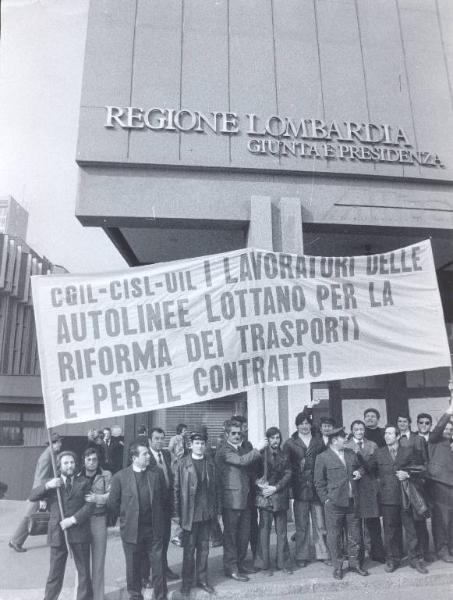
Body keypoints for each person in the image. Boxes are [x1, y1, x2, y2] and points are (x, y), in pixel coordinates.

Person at [29, 450, 94, 600]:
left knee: (84, 573)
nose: (70, 466)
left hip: (79, 533)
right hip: (58, 535)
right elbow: (32, 496)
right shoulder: (53, 483)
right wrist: (47, 486)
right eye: (66, 463)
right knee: (55, 574)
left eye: (72, 462)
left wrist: (72, 520)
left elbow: (90, 506)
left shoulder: (84, 482)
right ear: (59, 465)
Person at [108, 442, 168, 600]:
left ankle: (161, 596)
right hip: (131, 530)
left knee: (158, 565)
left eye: (148, 453)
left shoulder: (157, 473)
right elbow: (113, 504)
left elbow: (165, 499)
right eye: (145, 454)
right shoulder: (120, 477)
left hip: (154, 528)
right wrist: (123, 521)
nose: (149, 456)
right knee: (133, 566)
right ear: (134, 458)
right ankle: (135, 596)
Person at [368, 425, 428, 574]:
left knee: (411, 529)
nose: (387, 436)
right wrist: (357, 463)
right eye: (385, 434)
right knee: (390, 531)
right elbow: (368, 468)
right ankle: (392, 560)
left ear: (397, 436)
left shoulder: (408, 451)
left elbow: (422, 468)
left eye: (390, 433)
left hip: (405, 497)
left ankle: (414, 559)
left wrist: (407, 474)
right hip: (388, 499)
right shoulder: (378, 453)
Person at [314, 427, 368, 580]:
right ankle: (337, 567)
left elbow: (362, 467)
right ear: (333, 441)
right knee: (334, 536)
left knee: (355, 534)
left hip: (352, 502)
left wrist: (360, 472)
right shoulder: (322, 457)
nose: (345, 439)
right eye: (342, 437)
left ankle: (354, 563)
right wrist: (326, 499)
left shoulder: (351, 454)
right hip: (334, 505)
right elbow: (318, 482)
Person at [215, 419, 265, 581]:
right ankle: (231, 568)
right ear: (227, 434)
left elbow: (247, 469)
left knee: (244, 535)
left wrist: (257, 481)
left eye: (239, 433)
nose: (237, 436)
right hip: (231, 500)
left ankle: (240, 564)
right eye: (233, 433)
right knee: (231, 536)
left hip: (245, 499)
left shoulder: (241, 448)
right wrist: (257, 448)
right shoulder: (224, 450)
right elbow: (242, 461)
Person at [174, 431, 217, 598]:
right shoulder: (182, 464)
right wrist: (177, 515)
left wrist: (216, 511)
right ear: (190, 445)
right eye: (196, 443)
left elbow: (216, 489)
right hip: (189, 513)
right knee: (189, 550)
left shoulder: (210, 464)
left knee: (204, 549)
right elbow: (176, 490)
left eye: (202, 443)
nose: (199, 446)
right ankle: (186, 582)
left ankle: (202, 579)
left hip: (206, 513)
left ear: (205, 446)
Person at [283, 411, 329, 567]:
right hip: (300, 488)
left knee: (320, 523)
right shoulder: (290, 443)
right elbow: (286, 467)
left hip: (316, 487)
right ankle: (301, 555)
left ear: (310, 424)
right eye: (301, 423)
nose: (304, 426)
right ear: (297, 426)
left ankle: (323, 554)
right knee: (302, 524)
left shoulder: (318, 441)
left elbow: (324, 463)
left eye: (306, 423)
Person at [9, 432, 63, 552]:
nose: (61, 444)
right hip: (40, 492)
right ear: (53, 443)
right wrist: (41, 498)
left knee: (36, 516)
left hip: (44, 491)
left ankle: (56, 539)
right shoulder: (47, 456)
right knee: (29, 517)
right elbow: (41, 479)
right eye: (59, 442)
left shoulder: (51, 454)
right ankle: (15, 541)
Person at [344, 420, 385, 563]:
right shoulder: (346, 445)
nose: (359, 432)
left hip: (370, 486)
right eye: (356, 429)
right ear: (352, 430)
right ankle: (358, 555)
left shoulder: (372, 445)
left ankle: (377, 552)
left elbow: (375, 465)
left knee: (373, 522)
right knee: (356, 524)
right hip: (354, 487)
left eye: (361, 429)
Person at [254, 426, 293, 575]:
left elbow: (289, 473)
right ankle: (263, 565)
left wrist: (276, 488)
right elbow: (253, 473)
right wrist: (260, 484)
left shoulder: (284, 454)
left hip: (279, 495)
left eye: (277, 438)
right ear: (267, 439)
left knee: (282, 532)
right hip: (265, 497)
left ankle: (283, 563)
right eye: (272, 438)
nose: (275, 441)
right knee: (264, 532)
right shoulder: (261, 454)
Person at [396, 413, 430, 561]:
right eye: (399, 421)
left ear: (410, 423)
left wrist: (418, 478)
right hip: (399, 485)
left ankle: (425, 552)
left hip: (416, 484)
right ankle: (409, 553)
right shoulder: (395, 439)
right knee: (405, 522)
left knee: (419, 519)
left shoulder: (418, 439)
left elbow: (425, 462)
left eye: (404, 421)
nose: (402, 423)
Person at [146, 427, 179, 581]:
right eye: (156, 439)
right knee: (153, 541)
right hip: (151, 508)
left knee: (165, 539)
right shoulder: (145, 457)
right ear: (150, 441)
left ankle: (163, 568)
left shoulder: (166, 454)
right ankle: (150, 574)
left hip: (166, 505)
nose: (160, 442)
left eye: (162, 438)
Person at [80, 447, 112, 600]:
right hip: (81, 523)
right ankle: (82, 596)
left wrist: (98, 498)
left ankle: (98, 597)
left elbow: (111, 495)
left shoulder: (105, 475)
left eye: (94, 459)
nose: (92, 463)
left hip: (99, 519)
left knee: (98, 563)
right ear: (84, 460)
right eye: (88, 459)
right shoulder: (77, 475)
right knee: (82, 564)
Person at [427, 401, 453, 562]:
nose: (449, 431)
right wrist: (449, 411)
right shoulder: (435, 440)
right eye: (447, 429)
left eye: (451, 429)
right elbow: (438, 428)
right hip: (440, 484)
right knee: (441, 519)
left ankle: (450, 547)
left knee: (451, 519)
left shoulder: (450, 445)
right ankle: (442, 549)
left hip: (451, 485)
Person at [231, 414, 258, 561]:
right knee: (236, 531)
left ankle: (256, 557)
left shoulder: (248, 445)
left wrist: (257, 481)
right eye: (243, 427)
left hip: (250, 493)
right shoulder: (227, 446)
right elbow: (241, 462)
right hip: (235, 496)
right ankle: (236, 562)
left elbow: (252, 468)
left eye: (245, 427)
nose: (244, 431)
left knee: (252, 527)